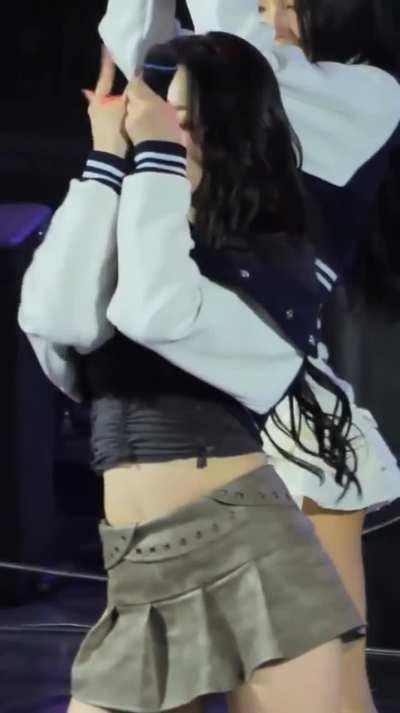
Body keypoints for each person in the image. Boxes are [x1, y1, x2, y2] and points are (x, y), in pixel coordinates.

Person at [18, 31, 364, 713]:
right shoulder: (140, 236)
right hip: (136, 568)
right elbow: (54, 315)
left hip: (248, 553)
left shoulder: (272, 258)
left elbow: (156, 312)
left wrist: (153, 159)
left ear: (222, 130)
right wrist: (103, 161)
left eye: (175, 118)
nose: (151, 126)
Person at [97, 2, 400, 713]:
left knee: (320, 691)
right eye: (262, 3)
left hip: (284, 431)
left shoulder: (364, 93)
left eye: (286, 4)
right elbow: (138, 52)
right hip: (189, 423)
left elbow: (238, 48)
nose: (272, 16)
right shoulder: (224, 80)